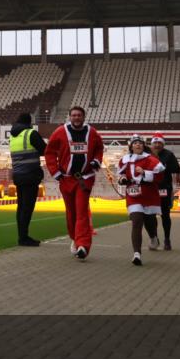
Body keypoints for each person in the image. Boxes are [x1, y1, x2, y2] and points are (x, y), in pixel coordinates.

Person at [44, 106, 104, 260]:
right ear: (69, 117)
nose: (77, 118)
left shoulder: (92, 133)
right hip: (66, 179)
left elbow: (99, 148)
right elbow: (49, 153)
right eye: (74, 115)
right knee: (71, 213)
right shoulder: (59, 132)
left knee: (82, 211)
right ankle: (74, 238)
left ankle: (83, 245)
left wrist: (96, 161)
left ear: (84, 117)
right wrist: (55, 172)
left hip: (85, 179)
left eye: (79, 115)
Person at [117, 135, 165, 266]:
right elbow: (121, 174)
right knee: (137, 221)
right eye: (135, 143)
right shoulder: (124, 160)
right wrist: (122, 179)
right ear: (131, 146)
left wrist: (144, 173)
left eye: (140, 143)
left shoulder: (151, 159)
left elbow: (160, 176)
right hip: (133, 194)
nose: (137, 145)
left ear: (143, 145)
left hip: (149, 193)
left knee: (149, 221)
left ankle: (153, 237)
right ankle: (136, 254)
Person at [8, 112, 47, 247]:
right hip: (30, 175)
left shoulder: (13, 136)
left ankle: (22, 236)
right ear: (29, 122)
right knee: (28, 208)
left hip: (18, 176)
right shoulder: (31, 133)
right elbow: (44, 150)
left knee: (21, 207)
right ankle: (23, 238)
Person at [143, 133, 180, 250]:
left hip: (164, 188)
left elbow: (177, 169)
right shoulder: (146, 155)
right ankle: (154, 238)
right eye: (155, 143)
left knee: (165, 215)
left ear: (163, 144)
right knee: (150, 215)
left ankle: (167, 239)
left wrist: (163, 167)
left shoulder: (169, 155)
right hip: (150, 188)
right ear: (152, 144)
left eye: (160, 143)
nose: (157, 145)